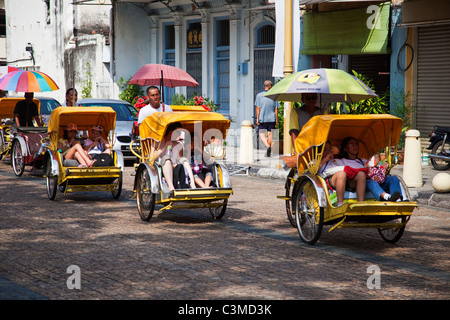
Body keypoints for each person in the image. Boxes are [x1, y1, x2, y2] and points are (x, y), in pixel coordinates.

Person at [321, 137, 368, 206]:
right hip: (328, 181)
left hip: (345, 181)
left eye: (330, 149)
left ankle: (360, 203)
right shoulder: (316, 162)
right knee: (341, 173)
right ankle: (340, 203)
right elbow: (316, 170)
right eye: (325, 150)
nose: (328, 152)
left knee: (361, 174)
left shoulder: (336, 160)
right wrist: (325, 159)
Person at [156, 122, 196, 193]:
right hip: (160, 166)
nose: (179, 134)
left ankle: (192, 184)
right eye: (178, 132)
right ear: (171, 131)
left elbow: (179, 158)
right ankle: (171, 187)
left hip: (174, 165)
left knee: (185, 160)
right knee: (167, 160)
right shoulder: (158, 142)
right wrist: (164, 148)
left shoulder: (178, 144)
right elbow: (151, 157)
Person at [255, 80, 278, 157]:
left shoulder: (259, 95)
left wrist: (257, 119)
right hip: (272, 119)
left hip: (263, 118)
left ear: (264, 86)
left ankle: (268, 147)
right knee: (270, 134)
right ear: (270, 87)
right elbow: (276, 109)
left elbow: (258, 108)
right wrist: (276, 120)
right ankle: (268, 150)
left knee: (261, 134)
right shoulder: (274, 95)